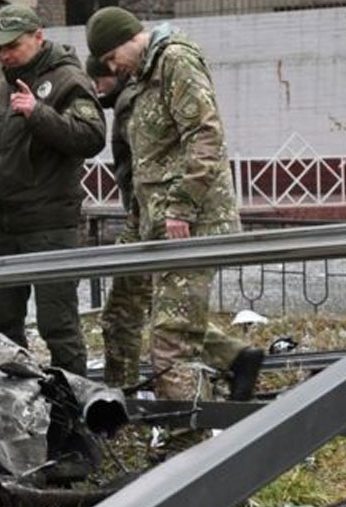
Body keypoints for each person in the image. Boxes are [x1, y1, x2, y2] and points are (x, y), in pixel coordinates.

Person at [86, 7, 262, 401]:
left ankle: (190, 438)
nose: (115, 68)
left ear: (128, 39)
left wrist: (181, 206)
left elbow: (205, 135)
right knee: (160, 321)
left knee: (171, 337)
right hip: (159, 220)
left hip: (190, 221)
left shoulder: (175, 61)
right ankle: (230, 367)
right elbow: (153, 156)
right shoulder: (149, 73)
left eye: (113, 58)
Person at [0, 5, 106, 376]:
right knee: (2, 327)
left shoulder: (67, 78)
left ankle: (75, 410)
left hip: (49, 226)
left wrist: (38, 112)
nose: (4, 55)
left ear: (38, 36)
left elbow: (91, 136)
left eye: (12, 46)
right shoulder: (4, 84)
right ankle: (17, 407)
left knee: (57, 325)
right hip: (3, 226)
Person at [86, 56, 149, 388]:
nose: (97, 89)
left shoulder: (129, 102)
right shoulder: (130, 98)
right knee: (133, 311)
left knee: (123, 315)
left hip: (144, 219)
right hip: (142, 216)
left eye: (100, 80)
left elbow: (144, 160)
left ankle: (119, 395)